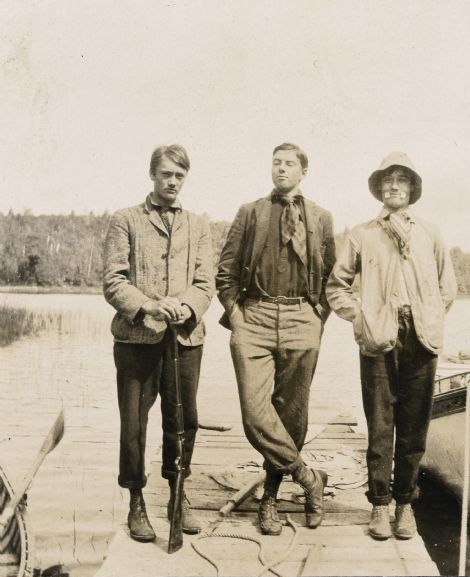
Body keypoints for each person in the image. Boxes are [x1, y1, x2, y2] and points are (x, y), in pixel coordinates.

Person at [326, 151, 457, 540]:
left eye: (401, 180)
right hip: (379, 338)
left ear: (412, 188)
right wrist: (361, 316)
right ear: (379, 189)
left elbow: (447, 288)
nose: (394, 186)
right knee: (381, 425)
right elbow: (337, 286)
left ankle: (405, 506)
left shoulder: (430, 233)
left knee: (414, 428)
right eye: (388, 180)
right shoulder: (362, 235)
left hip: (421, 337)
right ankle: (380, 507)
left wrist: (428, 316)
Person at [216, 142, 336, 535]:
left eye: (289, 164)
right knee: (255, 413)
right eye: (276, 163)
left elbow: (334, 278)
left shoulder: (320, 217)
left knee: (293, 414)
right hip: (256, 316)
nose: (281, 169)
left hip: (303, 317)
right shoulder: (251, 212)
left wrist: (318, 316)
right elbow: (226, 271)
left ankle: (269, 497)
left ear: (304, 171)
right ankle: (307, 477)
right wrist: (237, 315)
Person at [103, 144, 214, 542]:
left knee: (183, 422)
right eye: (166, 173)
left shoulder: (199, 225)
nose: (172, 181)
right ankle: (136, 501)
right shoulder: (126, 220)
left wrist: (186, 307)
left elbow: (206, 283)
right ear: (153, 174)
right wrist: (148, 305)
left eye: (179, 175)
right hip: (136, 339)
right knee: (133, 424)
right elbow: (113, 281)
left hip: (185, 339)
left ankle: (177, 495)